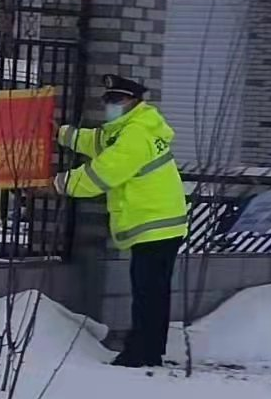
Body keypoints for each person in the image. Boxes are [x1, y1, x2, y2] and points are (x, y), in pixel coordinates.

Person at [54, 74, 190, 369]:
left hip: (156, 224)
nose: (110, 105)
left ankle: (138, 354)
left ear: (134, 101)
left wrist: (56, 184)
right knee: (153, 293)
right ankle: (150, 350)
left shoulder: (135, 135)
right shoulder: (129, 128)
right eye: (108, 100)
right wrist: (62, 134)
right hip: (161, 222)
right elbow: (96, 142)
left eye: (117, 99)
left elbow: (102, 173)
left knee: (147, 294)